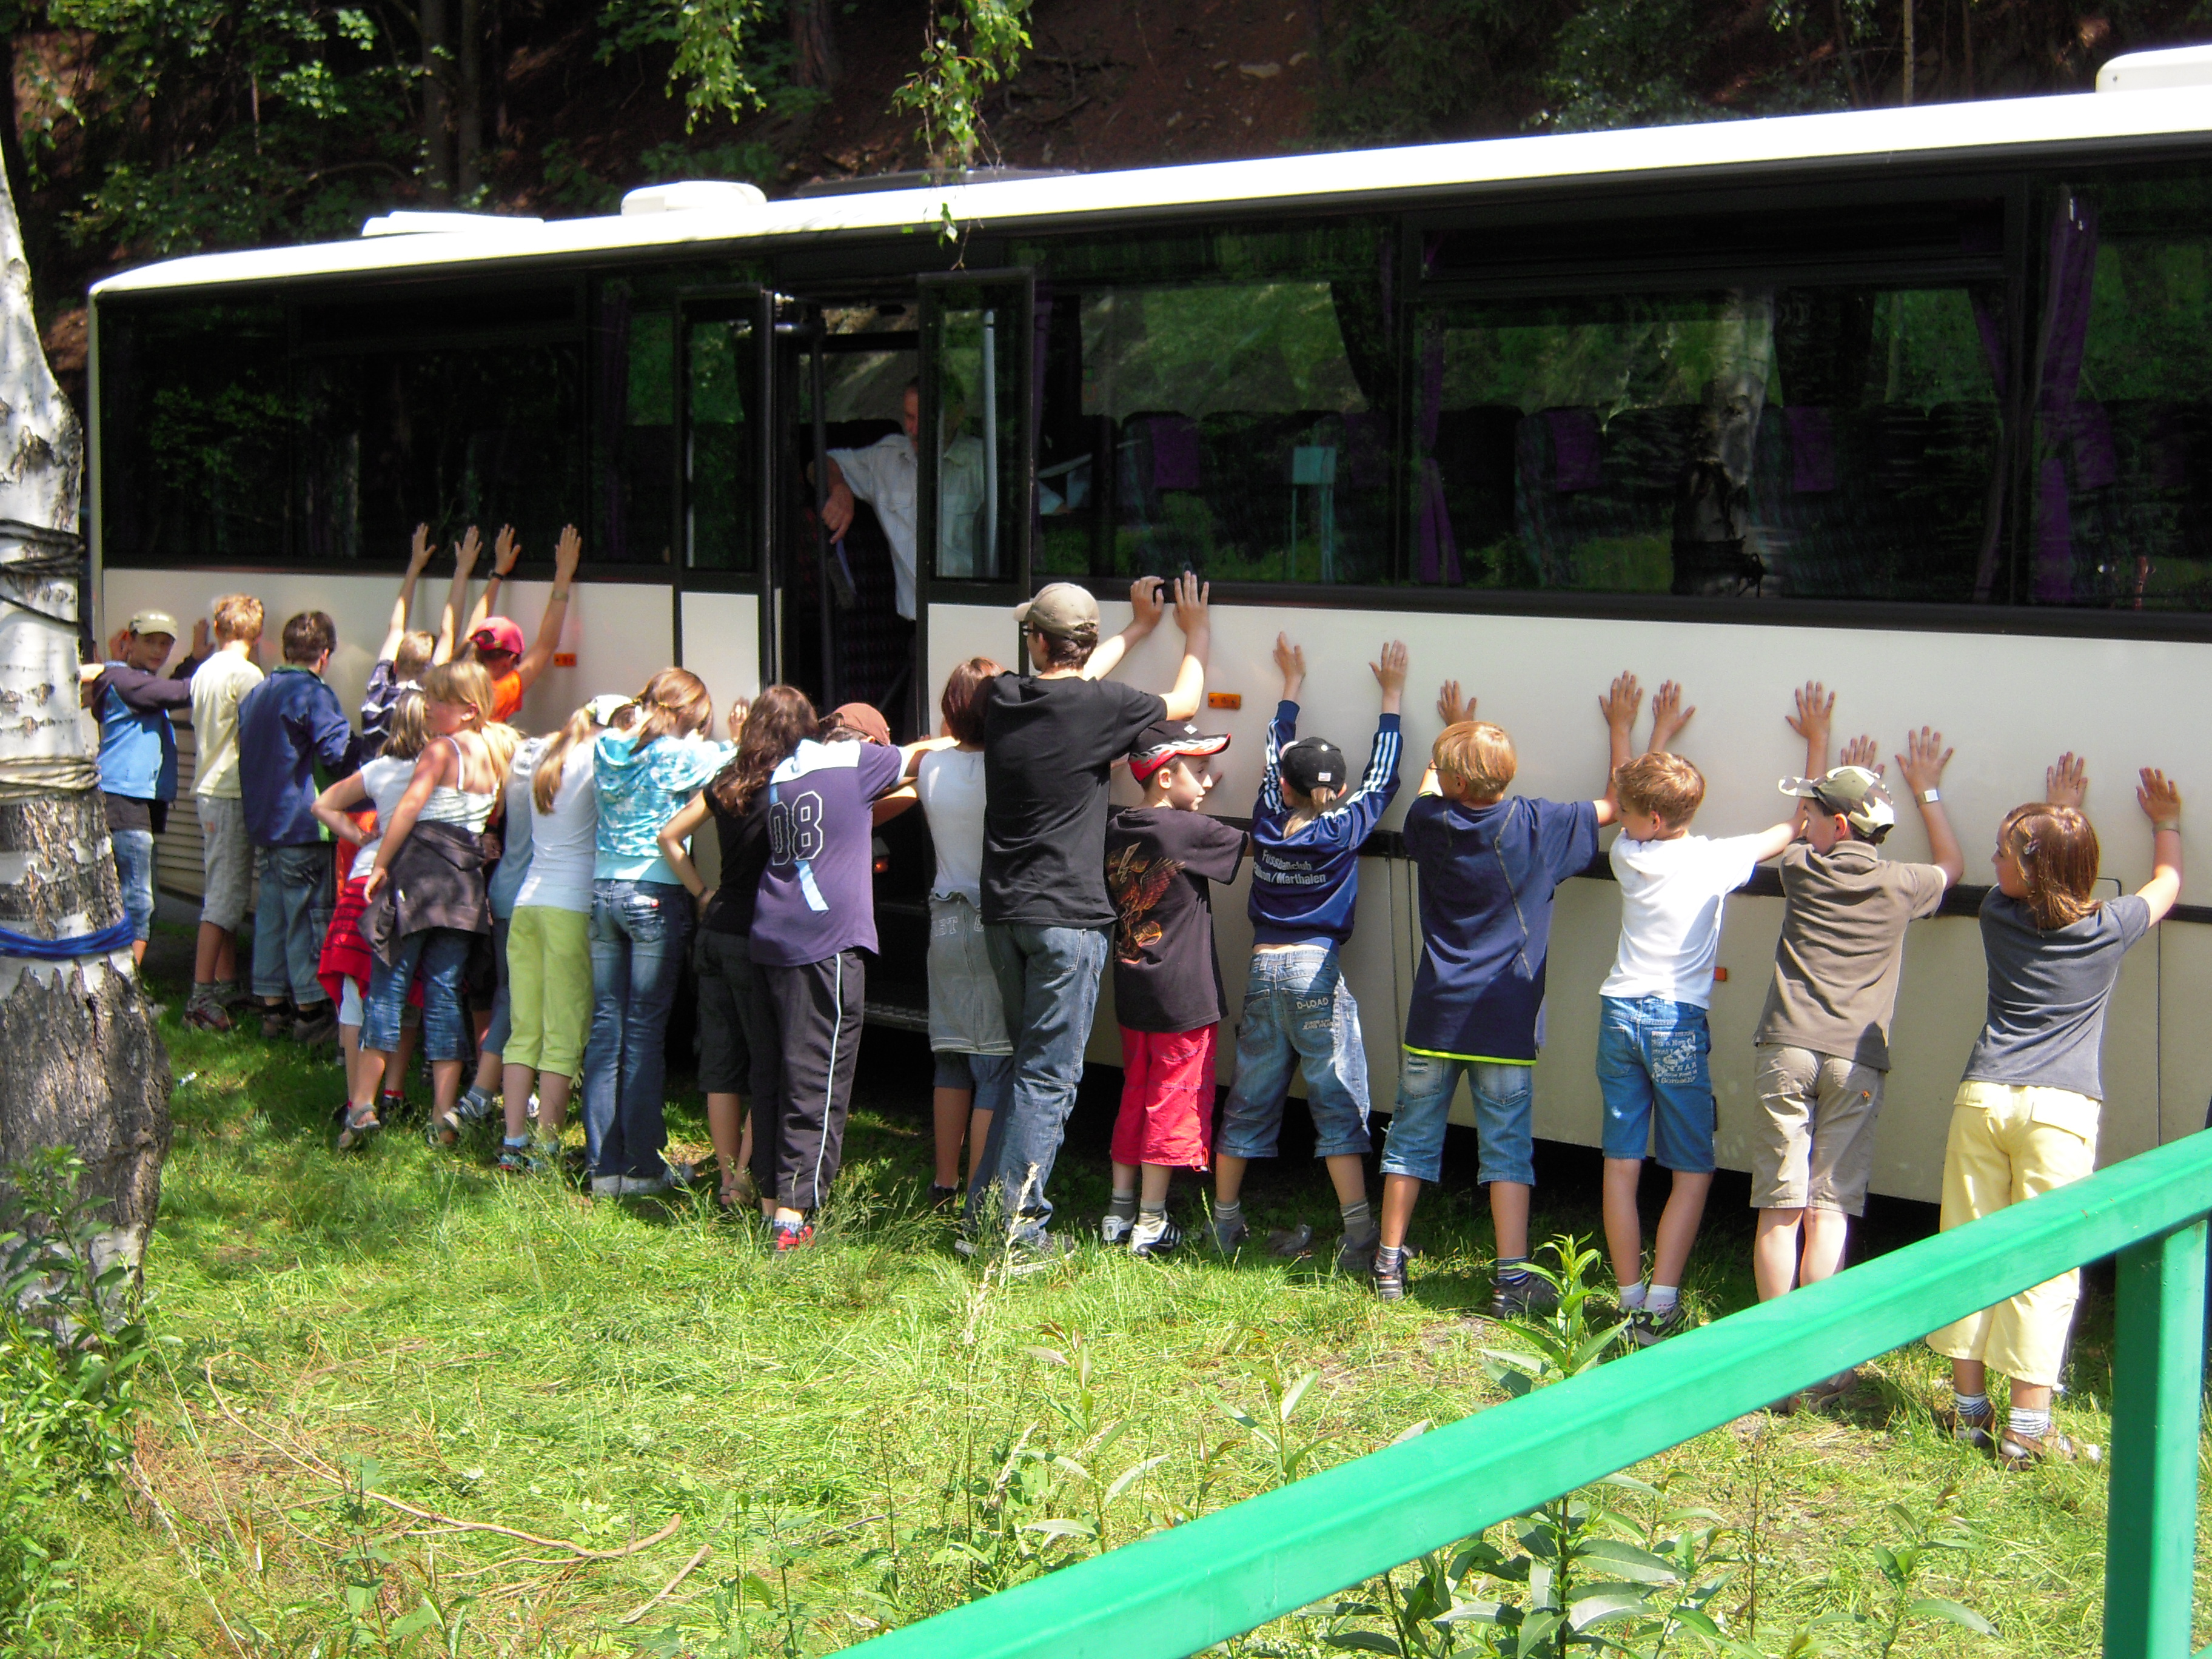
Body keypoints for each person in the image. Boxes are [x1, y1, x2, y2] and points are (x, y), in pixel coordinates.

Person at [1928, 754, 2181, 1469]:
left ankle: (1970, 1415)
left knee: (1969, 1249)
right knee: (2044, 1266)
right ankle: (2027, 1430)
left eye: (2003, 852)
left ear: (2027, 869)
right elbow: (2168, 884)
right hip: (2060, 1115)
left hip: (1984, 1098)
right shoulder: (2111, 927)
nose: (1993, 861)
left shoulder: (1995, 913)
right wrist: (2165, 823)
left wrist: (2058, 806)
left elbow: (2035, 878)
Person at [1371, 672, 1641, 1309]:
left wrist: (1450, 734)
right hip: (1506, 1020)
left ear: (1455, 782)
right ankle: (1512, 1282)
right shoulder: (1541, 824)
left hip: (1436, 1017)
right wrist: (1621, 727)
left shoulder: (1428, 820)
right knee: (1507, 1153)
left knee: (1409, 1141)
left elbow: (1432, 786)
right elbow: (1615, 802)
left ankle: (1387, 1266)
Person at [968, 574, 1211, 1259]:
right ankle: (1017, 1235)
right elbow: (1185, 701)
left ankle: (984, 1220)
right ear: (1084, 643)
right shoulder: (1102, 708)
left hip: (1004, 913)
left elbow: (1074, 683)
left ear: (1037, 643)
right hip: (1067, 922)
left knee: (1026, 1068)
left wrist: (1135, 630)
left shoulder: (1001, 698)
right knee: (1048, 1078)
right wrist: (1193, 631)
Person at [1750, 685, 1962, 1409]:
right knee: (1829, 1206)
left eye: (1814, 814)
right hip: (1857, 1061)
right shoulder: (1904, 884)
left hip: (1787, 1049)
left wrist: (1823, 748)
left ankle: (1772, 1362)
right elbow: (1953, 864)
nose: (1804, 823)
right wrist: (1925, 789)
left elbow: (1797, 831)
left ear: (1835, 826)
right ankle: (1820, 1365)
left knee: (1780, 1205)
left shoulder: (1800, 870)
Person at [1598, 683, 1798, 1346]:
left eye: (1628, 811)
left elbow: (1635, 799)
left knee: (1622, 1164)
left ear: (1650, 820)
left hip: (1619, 1014)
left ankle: (1628, 1299)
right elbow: (1790, 829)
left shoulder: (1627, 856)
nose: (1621, 819)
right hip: (1676, 1023)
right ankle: (1660, 1304)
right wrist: (1816, 748)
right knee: (1691, 1169)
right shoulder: (1717, 860)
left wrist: (1636, 727)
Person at [1212, 634, 1404, 1272]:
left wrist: (1290, 686)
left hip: (1264, 968)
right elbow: (1382, 778)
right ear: (1339, 788)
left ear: (1284, 787)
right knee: (1336, 1100)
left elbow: (1275, 750)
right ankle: (1359, 1235)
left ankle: (1225, 1222)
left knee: (1249, 1099)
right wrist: (1392, 698)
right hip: (1316, 970)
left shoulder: (1269, 818)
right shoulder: (1345, 826)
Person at [744, 699, 933, 1248]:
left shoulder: (787, 769)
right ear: (871, 743)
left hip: (772, 936)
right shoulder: (857, 762)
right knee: (818, 1080)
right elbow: (924, 757)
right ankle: (793, 1221)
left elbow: (871, 809)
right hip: (823, 943)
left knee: (774, 1077)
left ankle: (769, 1204)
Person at [340, 663, 518, 1151]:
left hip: (419, 878)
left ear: (469, 709)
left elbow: (408, 807)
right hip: (463, 887)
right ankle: (443, 1118)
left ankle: (362, 1106)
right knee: (444, 996)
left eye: (439, 700)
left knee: (388, 988)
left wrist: (380, 863)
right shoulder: (497, 752)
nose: (429, 708)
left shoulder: (441, 749)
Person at [586, 668, 731, 1197]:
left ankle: (604, 1169)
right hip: (653, 892)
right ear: (690, 713)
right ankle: (642, 1167)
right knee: (644, 1033)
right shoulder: (679, 756)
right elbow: (738, 761)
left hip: (603, 892)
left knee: (607, 1029)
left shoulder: (608, 747)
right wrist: (734, 733)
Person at [1101, 720, 1244, 1256]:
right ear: (1165, 777)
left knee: (1135, 1094)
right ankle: (1151, 1223)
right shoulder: (1187, 830)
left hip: (1134, 989)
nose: (1208, 783)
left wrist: (1192, 793)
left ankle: (1118, 1212)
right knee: (1172, 1101)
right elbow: (1255, 843)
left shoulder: (1118, 826)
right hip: (1183, 998)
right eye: (1199, 771)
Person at [495, 693, 627, 1176]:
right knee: (564, 1032)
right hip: (570, 907)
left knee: (524, 1029)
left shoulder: (547, 757)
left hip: (527, 903)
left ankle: (513, 1141)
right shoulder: (600, 761)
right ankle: (547, 1147)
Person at [662, 692, 785, 1210]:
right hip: (757, 934)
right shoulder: (785, 784)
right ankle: (747, 1178)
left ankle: (728, 1179)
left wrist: (701, 893)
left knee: (721, 1065)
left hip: (715, 928)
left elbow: (669, 836)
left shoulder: (728, 779)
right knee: (767, 1061)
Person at [238, 611, 364, 1045]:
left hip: (266, 824)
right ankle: (311, 1012)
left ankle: (273, 1009)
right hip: (303, 826)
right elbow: (336, 753)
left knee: (271, 918)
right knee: (307, 920)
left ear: (287, 649)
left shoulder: (258, 691)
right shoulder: (314, 693)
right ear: (325, 655)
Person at [915, 659, 1013, 1208]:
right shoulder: (1007, 767)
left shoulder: (930, 766)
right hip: (989, 921)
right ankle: (980, 1195)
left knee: (951, 1058)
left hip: (944, 922)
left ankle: (945, 1182)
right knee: (994, 1063)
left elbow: (935, 746)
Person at [312, 693, 431, 1116]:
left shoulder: (380, 769)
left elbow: (322, 804)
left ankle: (356, 1102)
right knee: (409, 991)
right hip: (415, 883)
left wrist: (359, 836)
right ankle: (394, 1094)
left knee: (354, 995)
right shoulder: (442, 770)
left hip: (364, 883)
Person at [82, 609, 209, 968]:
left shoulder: (136, 682)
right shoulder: (124, 681)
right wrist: (223, 668)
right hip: (126, 798)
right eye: (150, 642)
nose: (158, 651)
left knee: (135, 892)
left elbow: (165, 690)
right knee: (139, 897)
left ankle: (119, 971)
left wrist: (195, 660)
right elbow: (179, 692)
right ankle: (127, 981)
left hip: (138, 798)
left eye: (165, 644)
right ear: (130, 642)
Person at [185, 594, 265, 1030]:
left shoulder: (206, 669)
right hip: (231, 790)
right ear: (259, 634)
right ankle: (200, 998)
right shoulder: (248, 675)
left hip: (209, 788)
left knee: (227, 888)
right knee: (223, 896)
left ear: (218, 629)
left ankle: (227, 983)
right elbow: (256, 733)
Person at [442, 522, 581, 722]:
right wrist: (563, 574)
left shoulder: (447, 676)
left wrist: (498, 572)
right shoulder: (497, 696)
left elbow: (472, 628)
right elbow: (546, 645)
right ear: (509, 661)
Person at [361, 525, 440, 755]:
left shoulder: (376, 691)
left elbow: (396, 628)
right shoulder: (420, 699)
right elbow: (449, 633)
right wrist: (462, 570)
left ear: (395, 666)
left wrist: (414, 565)